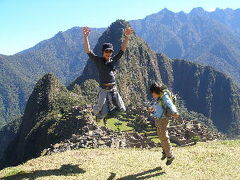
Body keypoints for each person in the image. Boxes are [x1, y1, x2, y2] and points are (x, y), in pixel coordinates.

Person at [82, 26, 133, 121]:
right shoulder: (98, 60)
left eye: (110, 51)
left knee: (122, 109)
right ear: (102, 52)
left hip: (113, 89)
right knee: (101, 111)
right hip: (103, 90)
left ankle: (107, 116)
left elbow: (122, 49)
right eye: (106, 51)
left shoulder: (113, 60)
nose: (108, 53)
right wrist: (86, 37)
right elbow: (88, 51)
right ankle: (97, 117)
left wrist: (126, 36)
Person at [149, 82, 180, 166]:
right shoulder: (160, 97)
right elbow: (158, 106)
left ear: (156, 91)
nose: (152, 95)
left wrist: (175, 112)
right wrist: (152, 109)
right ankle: (165, 152)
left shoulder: (164, 96)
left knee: (164, 138)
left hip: (162, 120)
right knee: (161, 136)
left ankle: (170, 155)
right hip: (159, 120)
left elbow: (170, 103)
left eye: (153, 93)